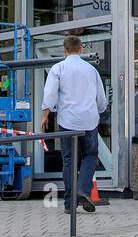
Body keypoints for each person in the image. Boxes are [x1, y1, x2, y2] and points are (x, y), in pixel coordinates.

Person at [40, 35, 107, 213]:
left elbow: (50, 94)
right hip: (89, 121)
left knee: (69, 161)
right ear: (81, 49)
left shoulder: (58, 68)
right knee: (90, 156)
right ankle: (83, 190)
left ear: (64, 50)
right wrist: (98, 111)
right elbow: (101, 99)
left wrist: (45, 114)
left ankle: (70, 204)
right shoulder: (91, 70)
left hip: (68, 120)